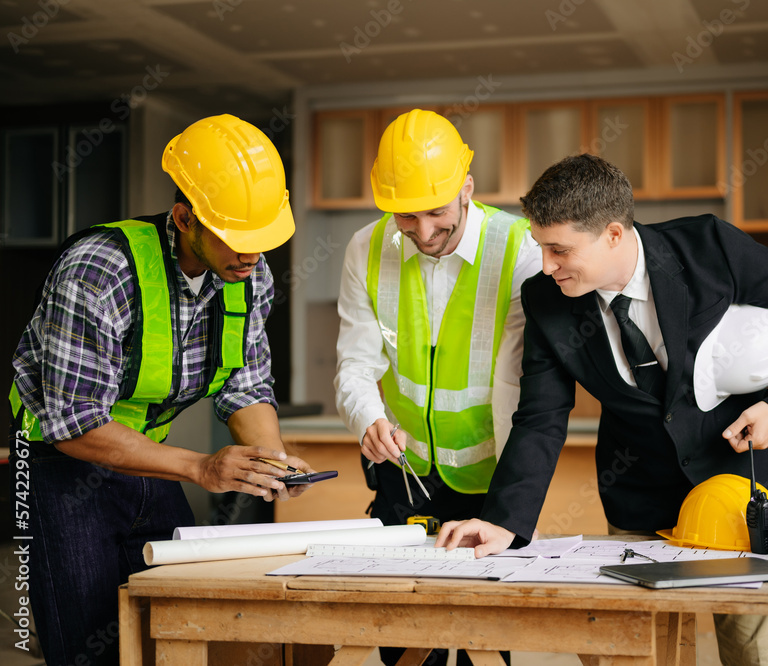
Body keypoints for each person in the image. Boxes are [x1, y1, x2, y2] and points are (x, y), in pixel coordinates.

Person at [436, 154, 768, 666]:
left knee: (752, 647)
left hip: (738, 475)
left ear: (613, 235)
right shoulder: (547, 300)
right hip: (638, 488)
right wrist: (506, 523)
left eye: (559, 250)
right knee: (636, 650)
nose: (547, 265)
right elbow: (540, 415)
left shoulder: (708, 248)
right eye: (541, 248)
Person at [8, 114, 313, 666]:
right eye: (237, 239)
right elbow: (74, 423)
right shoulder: (101, 271)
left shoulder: (250, 275)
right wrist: (201, 468)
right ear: (184, 218)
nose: (252, 256)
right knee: (85, 642)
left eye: (261, 240)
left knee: (173, 623)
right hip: (59, 466)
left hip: (150, 458)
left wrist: (271, 459)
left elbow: (246, 383)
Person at [334, 109, 541, 666]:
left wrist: (513, 502)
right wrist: (367, 419)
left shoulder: (520, 249)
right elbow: (355, 363)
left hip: (489, 481)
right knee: (405, 638)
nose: (423, 233)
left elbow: (529, 385)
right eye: (406, 215)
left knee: (483, 637)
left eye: (436, 212)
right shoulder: (366, 248)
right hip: (405, 480)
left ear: (467, 188)